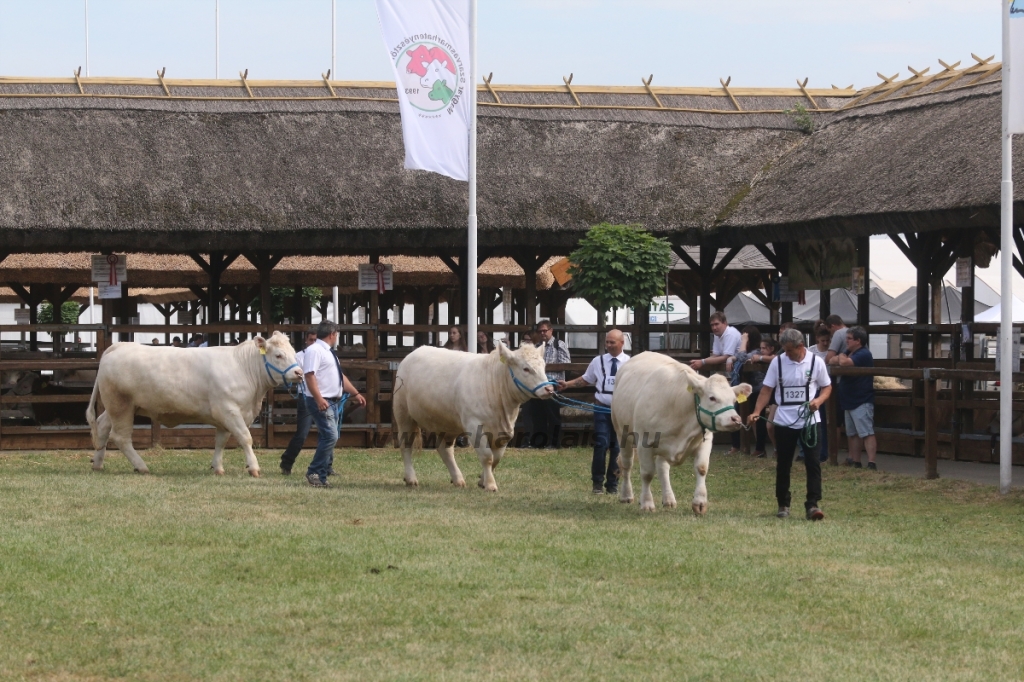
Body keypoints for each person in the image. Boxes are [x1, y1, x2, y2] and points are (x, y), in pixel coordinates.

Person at [747, 328, 831, 521]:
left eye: (790, 350)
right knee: (783, 463)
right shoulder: (778, 362)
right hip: (784, 420)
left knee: (813, 463)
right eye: (784, 349)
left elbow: (827, 386)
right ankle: (783, 504)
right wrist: (757, 412)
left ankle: (813, 505)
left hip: (810, 421)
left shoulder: (816, 361)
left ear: (801, 346)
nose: (787, 353)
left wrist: (818, 401)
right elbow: (767, 390)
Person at [558, 329, 629, 494]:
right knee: (601, 444)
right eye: (607, 342)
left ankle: (613, 484)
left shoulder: (629, 363)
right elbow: (586, 379)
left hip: (621, 412)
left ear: (622, 343)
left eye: (613, 342)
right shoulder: (598, 361)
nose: (609, 345)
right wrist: (567, 385)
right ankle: (597, 483)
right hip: (601, 409)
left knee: (617, 448)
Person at [303, 321, 367, 488]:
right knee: (330, 436)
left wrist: (355, 393)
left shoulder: (329, 353)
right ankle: (314, 471)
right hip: (322, 400)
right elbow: (309, 376)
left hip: (331, 400)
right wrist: (318, 399)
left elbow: (340, 377)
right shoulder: (315, 351)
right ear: (332, 334)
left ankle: (321, 476)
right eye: (337, 334)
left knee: (329, 436)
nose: (336, 337)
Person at [830, 325, 877, 470]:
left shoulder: (863, 354)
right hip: (849, 399)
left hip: (861, 399)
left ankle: (871, 462)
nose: (846, 341)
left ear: (858, 341)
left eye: (849, 339)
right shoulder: (848, 352)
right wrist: (840, 357)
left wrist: (840, 358)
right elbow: (831, 360)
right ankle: (856, 461)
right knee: (852, 433)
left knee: (866, 432)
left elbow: (843, 362)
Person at [279, 329, 319, 476]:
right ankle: (287, 462)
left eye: (315, 340)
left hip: (323, 396)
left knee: (328, 433)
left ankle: (327, 466)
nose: (313, 343)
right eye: (310, 340)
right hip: (307, 397)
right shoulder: (299, 357)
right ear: (306, 341)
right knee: (302, 434)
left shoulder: (323, 354)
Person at [529, 319, 570, 448]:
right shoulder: (536, 347)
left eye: (545, 330)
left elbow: (566, 364)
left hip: (553, 385)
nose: (542, 333)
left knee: (553, 416)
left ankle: (554, 443)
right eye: (540, 331)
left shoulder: (559, 344)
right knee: (538, 415)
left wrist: (558, 382)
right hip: (538, 386)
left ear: (551, 331)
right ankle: (539, 443)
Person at [725, 325, 762, 455]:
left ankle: (759, 448)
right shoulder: (747, 352)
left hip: (755, 390)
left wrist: (744, 342)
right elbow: (737, 357)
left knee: (756, 419)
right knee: (736, 414)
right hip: (742, 391)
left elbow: (741, 357)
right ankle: (737, 445)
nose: (742, 340)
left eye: (745, 337)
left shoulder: (757, 352)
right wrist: (730, 358)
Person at [749, 338, 780, 458]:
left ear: (771, 349)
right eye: (760, 348)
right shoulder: (758, 358)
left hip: (775, 393)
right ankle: (760, 448)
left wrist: (760, 358)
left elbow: (776, 359)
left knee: (770, 425)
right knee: (756, 420)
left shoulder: (778, 357)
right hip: (762, 391)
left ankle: (777, 448)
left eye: (763, 348)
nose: (761, 351)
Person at [809, 326, 833, 462]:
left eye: (827, 340)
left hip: (825, 387)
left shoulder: (831, 352)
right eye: (823, 340)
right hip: (814, 389)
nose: (825, 343)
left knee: (824, 422)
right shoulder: (811, 351)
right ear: (817, 338)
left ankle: (824, 453)